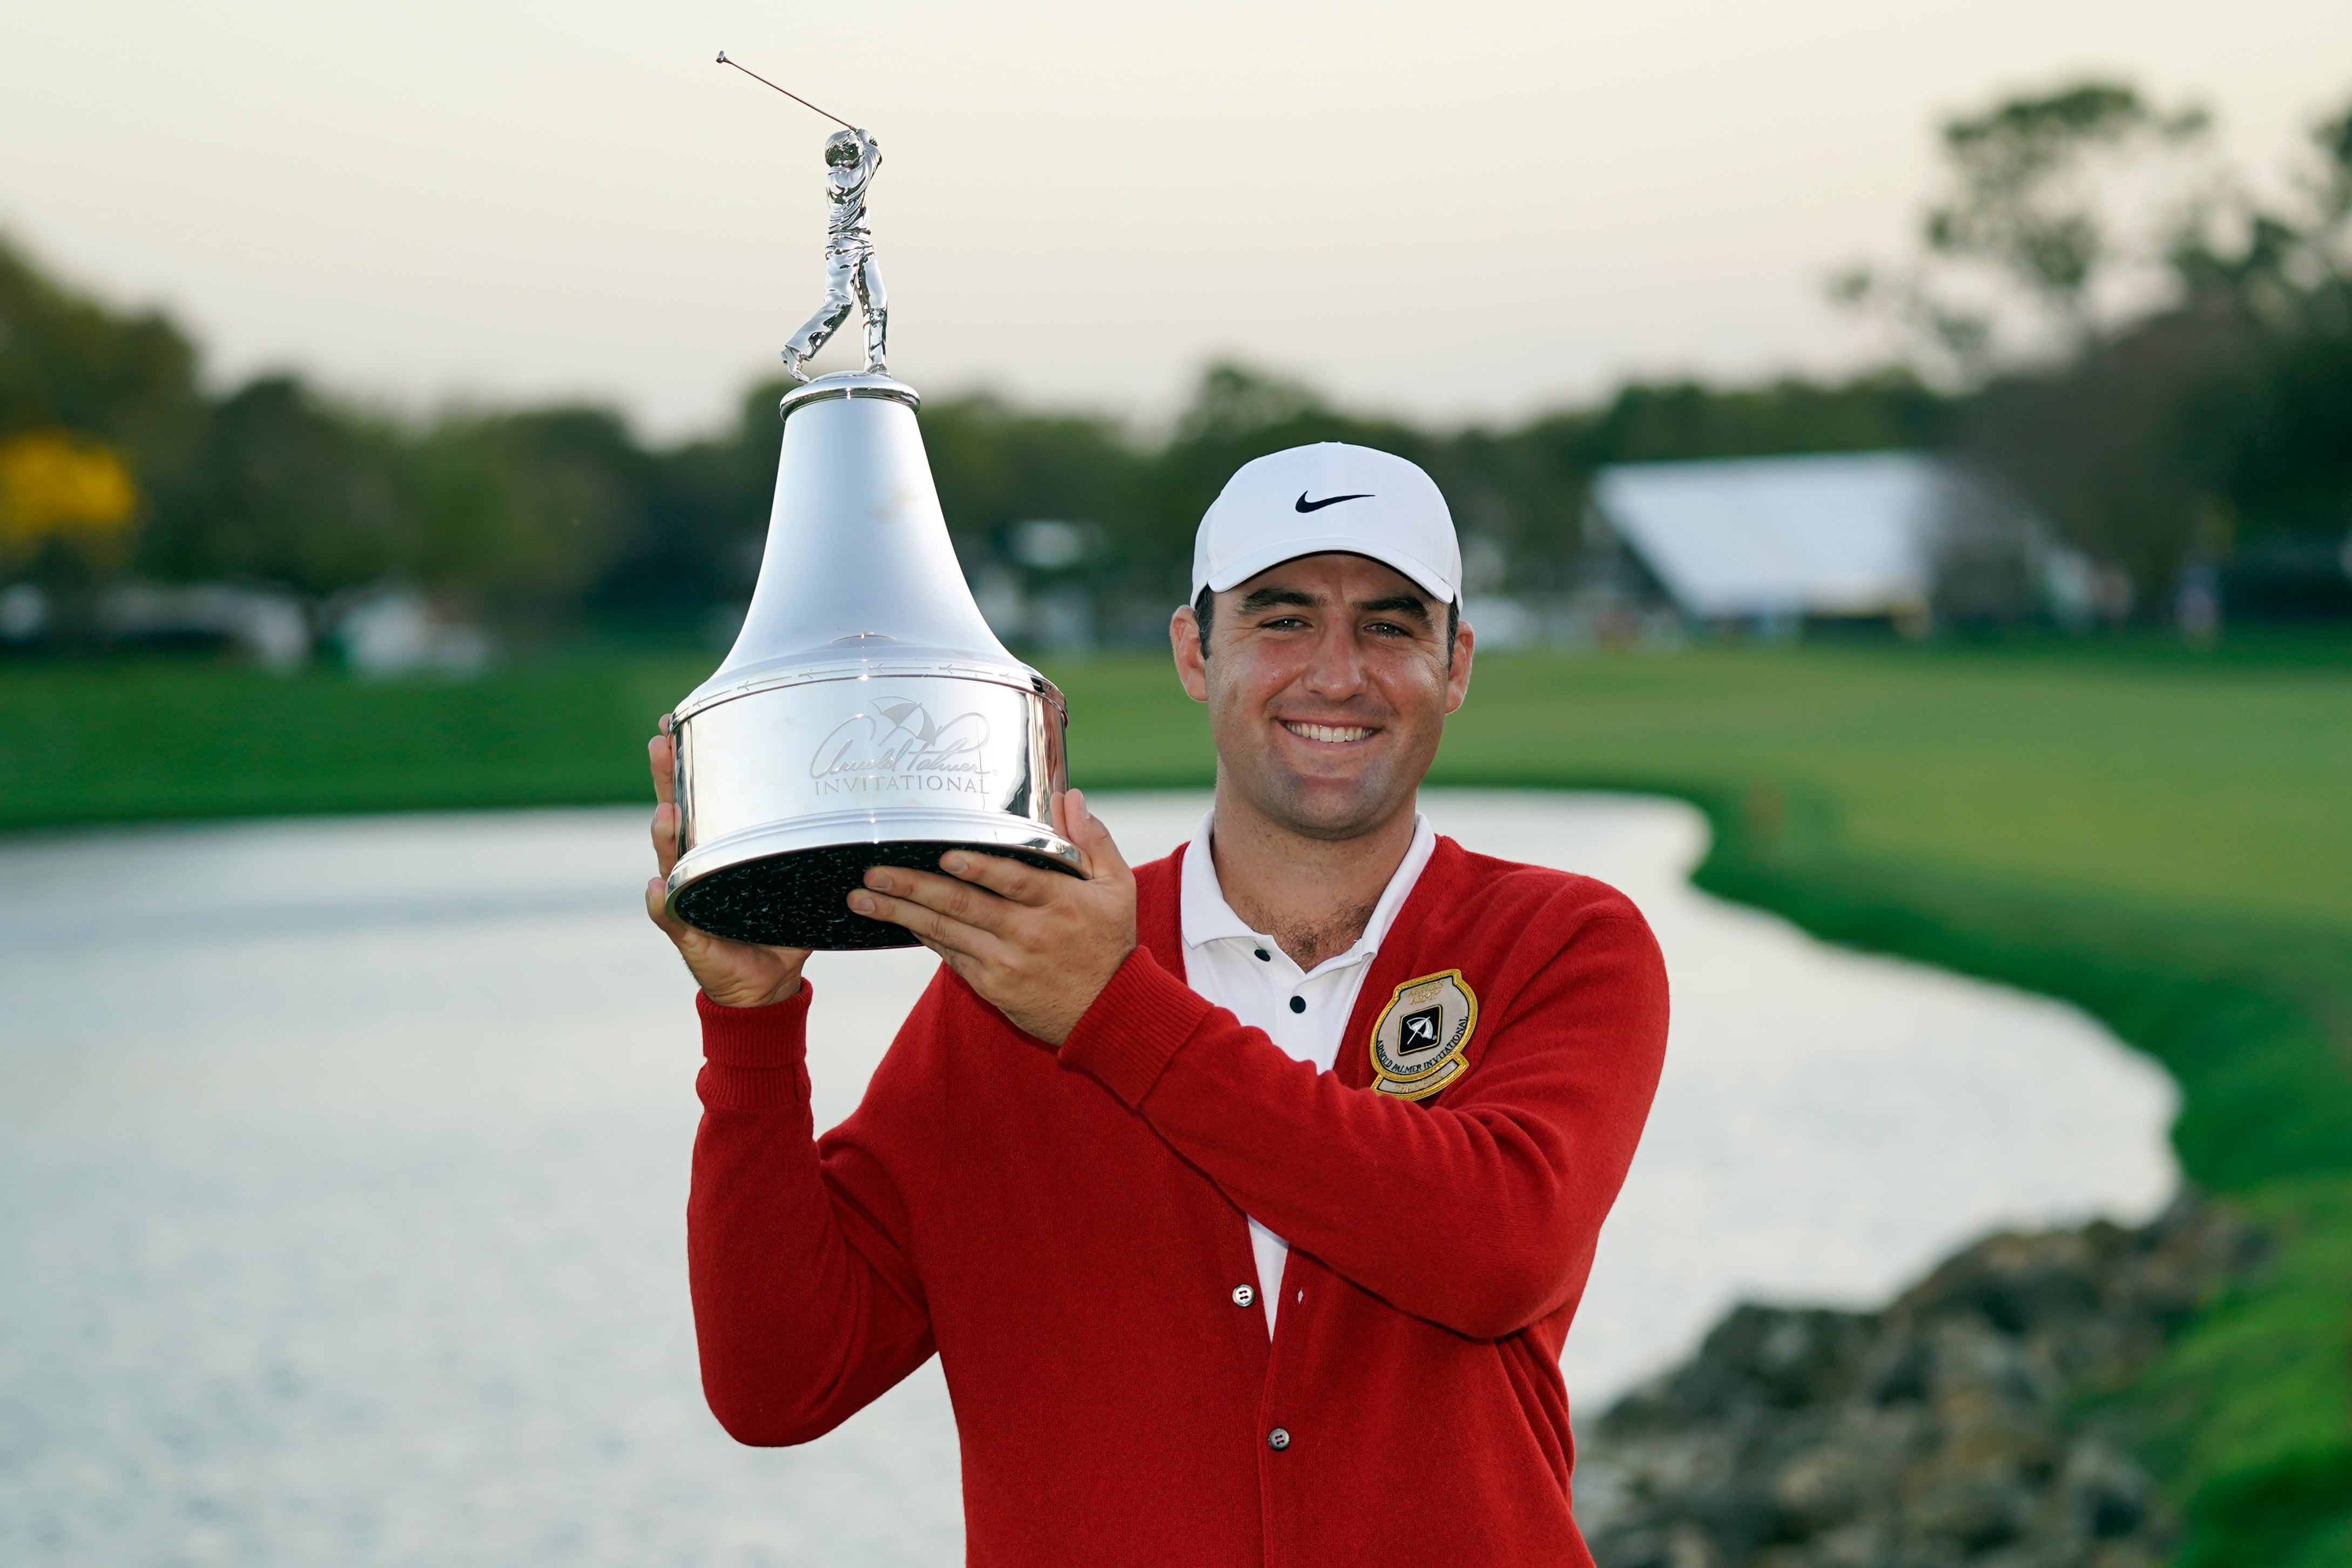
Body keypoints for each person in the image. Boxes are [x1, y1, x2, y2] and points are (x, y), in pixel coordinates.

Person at [643, 442, 1670, 1566]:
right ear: (1194, 650)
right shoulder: (1008, 987)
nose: (1336, 673)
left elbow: (1493, 1255)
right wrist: (749, 1027)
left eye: (1388, 624)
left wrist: (1112, 1013)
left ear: (1455, 661)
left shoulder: (1560, 941)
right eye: (1280, 619)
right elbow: (781, 1381)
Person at [779, 126, 886, 381]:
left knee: (877, 303)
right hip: (844, 247)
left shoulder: (849, 172)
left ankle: (876, 364)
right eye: (853, 146)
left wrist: (867, 144)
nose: (857, 149)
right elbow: (868, 167)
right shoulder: (839, 179)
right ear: (843, 152)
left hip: (863, 243)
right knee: (840, 303)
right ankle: (796, 349)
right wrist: (870, 145)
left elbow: (869, 162)